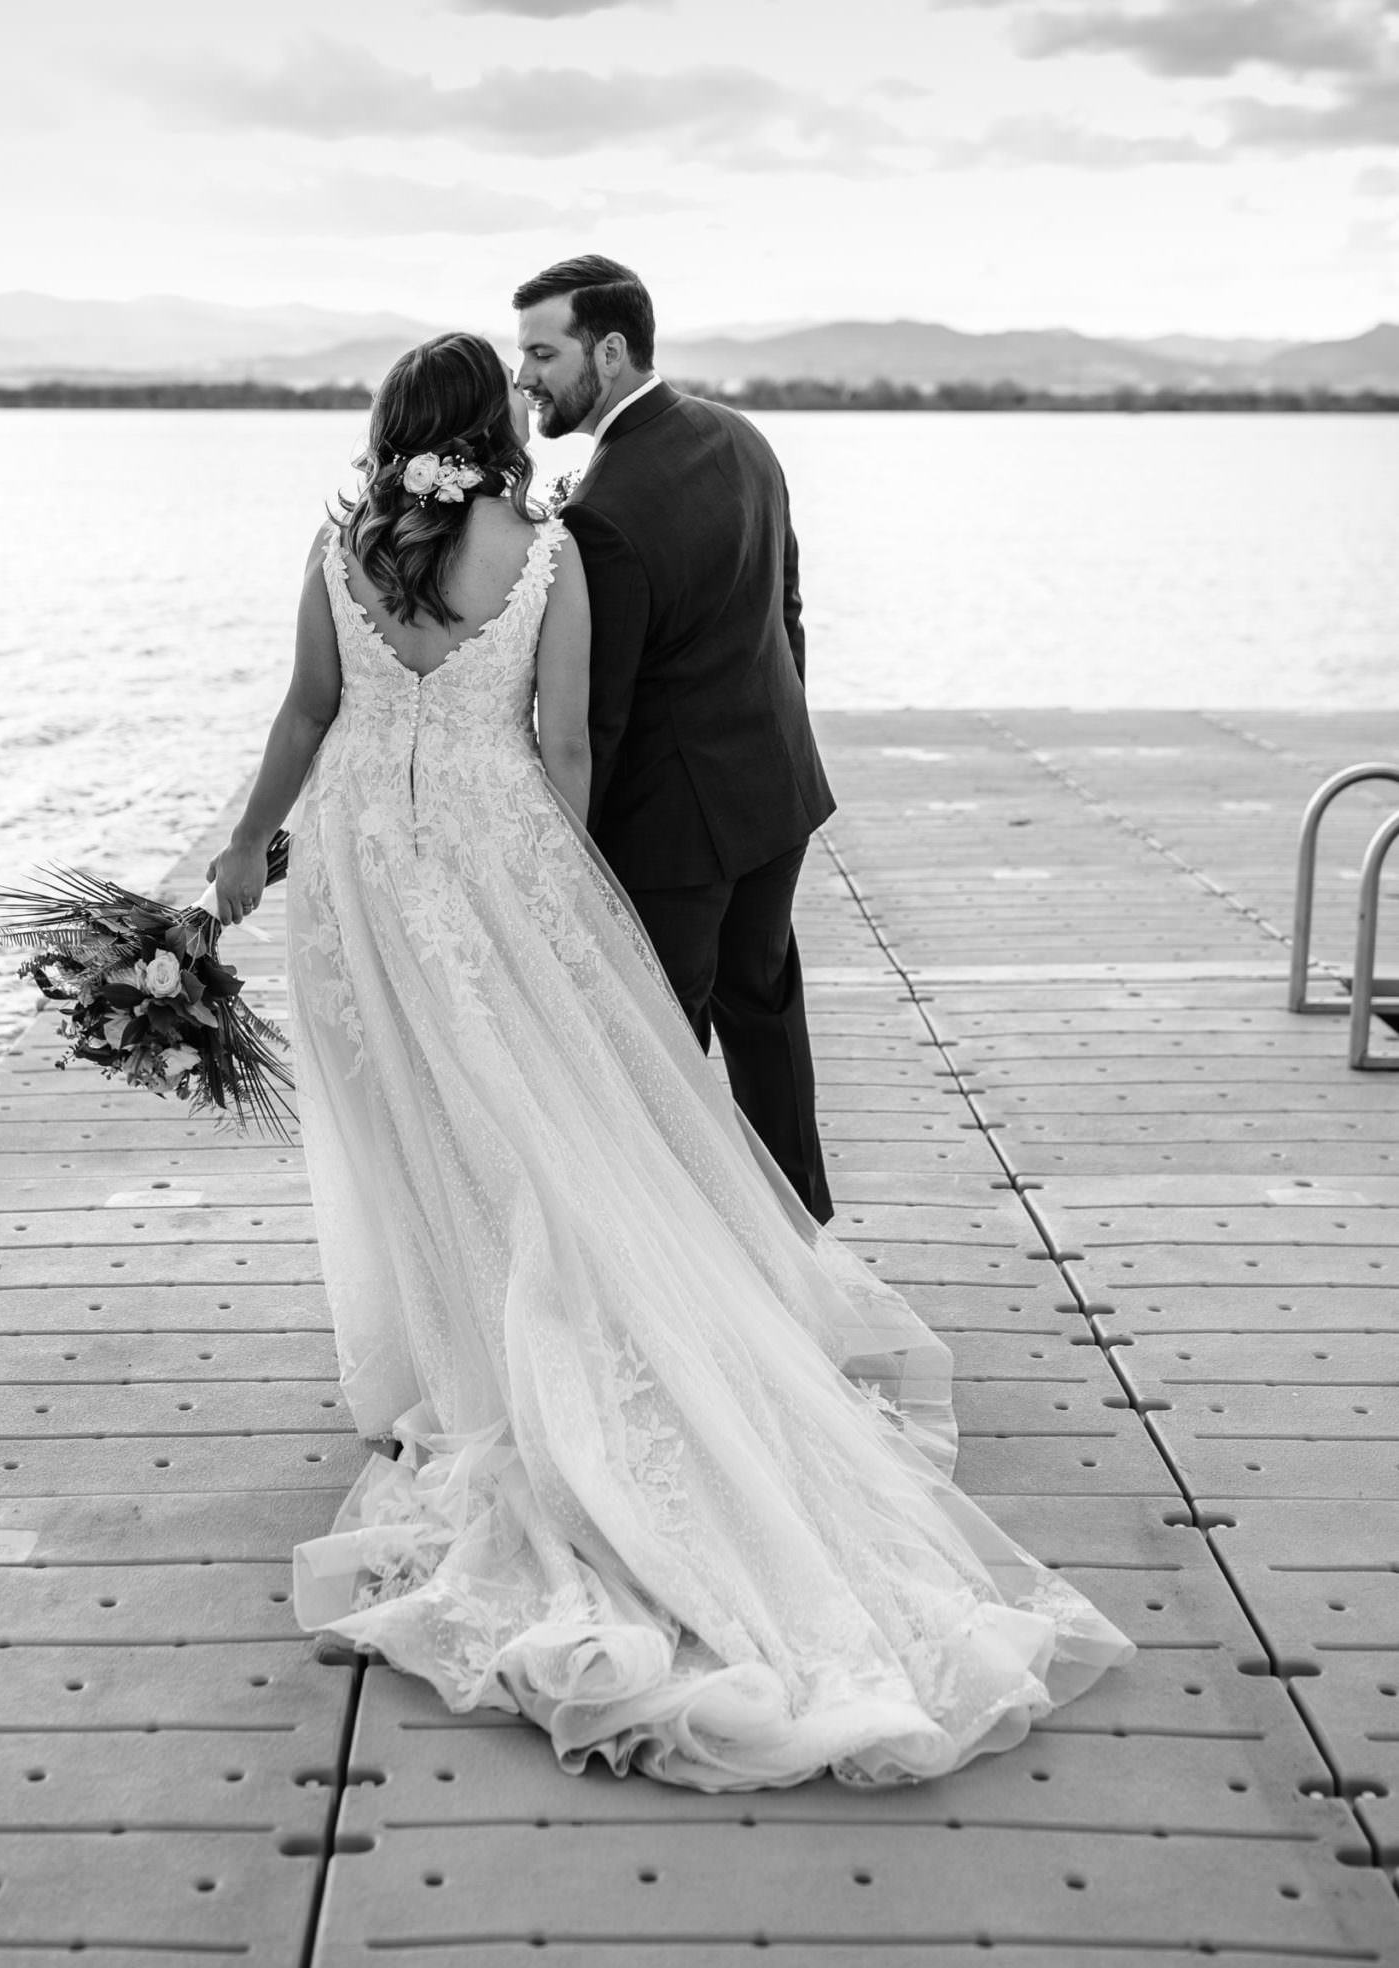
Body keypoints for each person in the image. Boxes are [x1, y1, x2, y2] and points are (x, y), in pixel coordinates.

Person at [209, 329, 1130, 1793]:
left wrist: (246, 844)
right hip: (499, 862)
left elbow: (309, 715)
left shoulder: (340, 554)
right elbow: (561, 746)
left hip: (363, 874)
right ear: (491, 429)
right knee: (542, 1118)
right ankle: (528, 1349)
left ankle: (464, 1369)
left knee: (418, 1121)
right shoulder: (548, 556)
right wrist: (556, 888)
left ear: (392, 429)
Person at [513, 258, 833, 1224]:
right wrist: (773, 748)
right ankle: (796, 1232)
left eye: (541, 351)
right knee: (764, 1003)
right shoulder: (741, 436)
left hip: (671, 829)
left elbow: (597, 719)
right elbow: (787, 612)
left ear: (608, 352)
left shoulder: (599, 515)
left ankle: (687, 1271)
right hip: (774, 788)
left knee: (655, 1048)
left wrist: (575, 855)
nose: (523, 375)